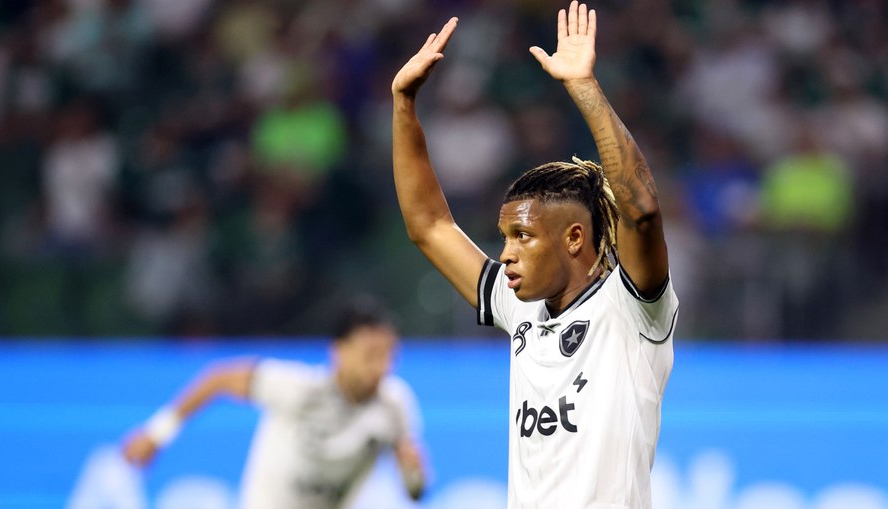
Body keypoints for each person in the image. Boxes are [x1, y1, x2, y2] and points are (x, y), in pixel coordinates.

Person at [390, 2, 678, 508]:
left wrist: (584, 88)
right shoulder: (520, 306)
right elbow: (430, 225)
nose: (505, 255)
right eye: (505, 237)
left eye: (522, 236)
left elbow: (642, 210)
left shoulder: (632, 309)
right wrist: (403, 105)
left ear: (574, 238)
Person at [122, 297, 427, 509]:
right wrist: (157, 433)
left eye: (388, 355)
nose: (381, 367)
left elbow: (414, 491)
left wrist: (413, 474)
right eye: (370, 355)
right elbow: (219, 379)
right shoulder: (299, 389)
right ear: (339, 351)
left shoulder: (394, 405)